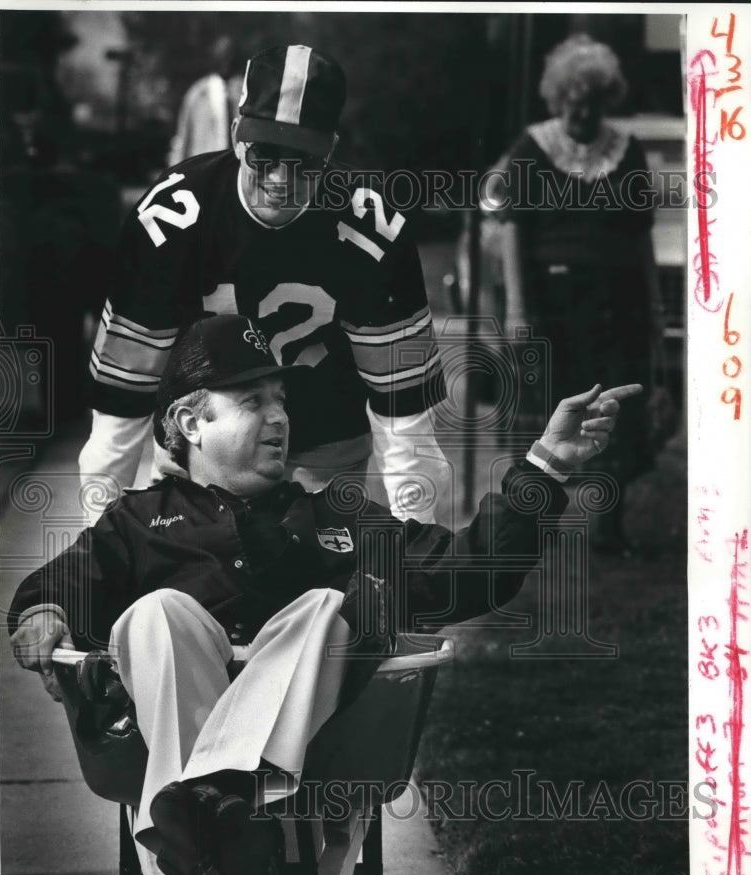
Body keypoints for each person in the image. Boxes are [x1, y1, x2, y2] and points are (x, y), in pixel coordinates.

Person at [11, 314, 641, 875]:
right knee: (157, 612)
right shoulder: (138, 522)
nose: (280, 418)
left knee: (329, 606)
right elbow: (62, 584)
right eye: (252, 401)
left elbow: (470, 570)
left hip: (318, 741)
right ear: (189, 423)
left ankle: (207, 802)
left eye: (280, 401)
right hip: (208, 706)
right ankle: (230, 812)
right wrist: (43, 612)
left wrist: (546, 466)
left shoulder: (337, 518)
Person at [80, 43, 450, 525]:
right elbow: (121, 410)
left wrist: (419, 562)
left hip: (324, 448)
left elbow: (406, 425)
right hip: (202, 451)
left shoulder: (372, 233)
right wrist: (96, 553)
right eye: (264, 155)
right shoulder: (170, 222)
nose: (280, 178)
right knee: (189, 585)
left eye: (303, 161)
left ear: (331, 149)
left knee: (317, 591)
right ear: (236, 136)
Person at [496, 34, 665, 553]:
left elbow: (640, 238)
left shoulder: (626, 151)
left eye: (592, 103)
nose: (582, 112)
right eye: (573, 102)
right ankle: (531, 528)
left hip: (619, 309)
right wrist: (518, 308)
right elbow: (511, 230)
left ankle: (609, 529)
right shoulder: (533, 148)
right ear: (557, 98)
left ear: (604, 101)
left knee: (614, 411)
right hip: (553, 308)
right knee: (551, 413)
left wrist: (654, 308)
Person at [167, 35, 243, 166]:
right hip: (203, 167)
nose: (226, 64)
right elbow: (183, 137)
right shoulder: (197, 94)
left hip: (232, 167)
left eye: (229, 58)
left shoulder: (241, 91)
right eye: (223, 58)